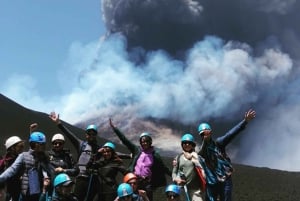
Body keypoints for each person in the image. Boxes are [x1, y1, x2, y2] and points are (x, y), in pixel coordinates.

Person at [198, 109, 256, 201]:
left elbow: (231, 134)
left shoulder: (219, 143)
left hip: (225, 180)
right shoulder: (201, 152)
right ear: (200, 136)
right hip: (211, 181)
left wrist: (245, 122)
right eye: (203, 134)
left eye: (207, 132)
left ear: (211, 132)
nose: (205, 135)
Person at [109, 118, 172, 201]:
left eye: (146, 141)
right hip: (134, 182)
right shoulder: (137, 150)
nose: (144, 143)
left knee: (147, 198)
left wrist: (174, 176)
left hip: (147, 183)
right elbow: (125, 140)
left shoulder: (155, 155)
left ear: (150, 142)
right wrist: (115, 129)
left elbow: (163, 167)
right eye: (142, 141)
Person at [49, 112, 101, 200]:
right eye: (89, 133)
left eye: (93, 134)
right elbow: (70, 135)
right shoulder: (81, 144)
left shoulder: (100, 149)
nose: (91, 136)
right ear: (86, 135)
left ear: (96, 135)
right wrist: (59, 123)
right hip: (80, 178)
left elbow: (113, 153)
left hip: (93, 179)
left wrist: (129, 155)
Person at [0, 131, 55, 201]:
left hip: (40, 192)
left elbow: (51, 170)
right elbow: (12, 170)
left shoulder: (44, 157)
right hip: (26, 194)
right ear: (35, 145)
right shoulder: (23, 156)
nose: (44, 146)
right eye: (42, 144)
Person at [172, 133, 206, 201]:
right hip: (182, 189)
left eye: (189, 143)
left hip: (195, 190)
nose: (187, 144)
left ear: (193, 145)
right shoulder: (178, 157)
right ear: (182, 144)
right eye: (185, 143)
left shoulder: (197, 157)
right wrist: (176, 179)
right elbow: (174, 172)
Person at [0, 136, 25, 201]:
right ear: (12, 148)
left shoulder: (22, 158)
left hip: (21, 191)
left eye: (23, 146)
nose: (22, 148)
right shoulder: (4, 162)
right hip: (10, 192)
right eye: (20, 146)